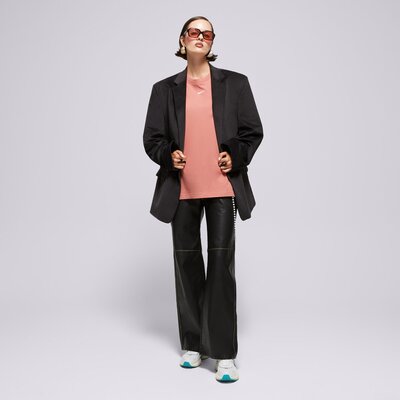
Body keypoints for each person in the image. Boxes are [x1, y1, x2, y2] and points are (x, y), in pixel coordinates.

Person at [143, 15, 263, 383]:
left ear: (211, 43)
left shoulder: (235, 84)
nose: (201, 37)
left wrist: (234, 155)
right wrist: (169, 155)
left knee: (221, 267)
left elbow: (252, 132)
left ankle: (224, 354)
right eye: (194, 32)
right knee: (187, 265)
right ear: (182, 40)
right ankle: (193, 344)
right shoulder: (164, 89)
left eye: (207, 33)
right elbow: (152, 138)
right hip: (181, 189)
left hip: (223, 187)